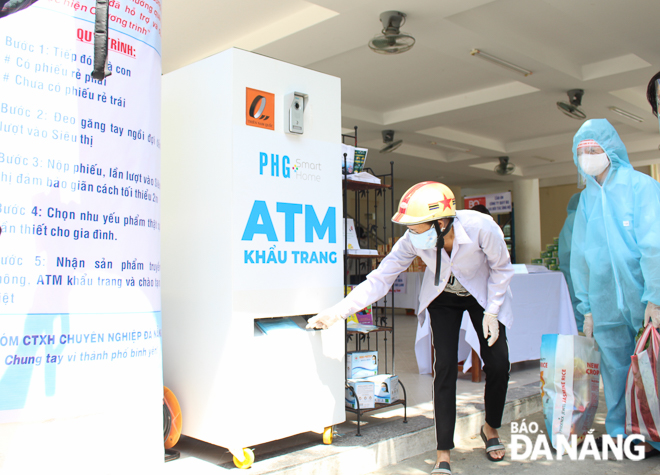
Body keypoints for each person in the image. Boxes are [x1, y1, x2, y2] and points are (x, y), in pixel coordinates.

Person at [307, 182, 514, 475]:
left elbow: (502, 269)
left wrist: (493, 310)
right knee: (443, 366)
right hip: (442, 297)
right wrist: (337, 313)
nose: (412, 234)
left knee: (498, 363)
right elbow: (381, 278)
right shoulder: (413, 239)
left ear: (441, 222)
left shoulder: (482, 227)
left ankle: (491, 427)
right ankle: (443, 452)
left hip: (482, 295)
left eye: (417, 227)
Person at [570, 119, 660, 456]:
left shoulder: (642, 187)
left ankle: (655, 434)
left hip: (644, 301)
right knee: (615, 371)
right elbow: (580, 257)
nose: (588, 156)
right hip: (605, 305)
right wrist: (587, 307)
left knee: (652, 368)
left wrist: (656, 297)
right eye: (582, 151)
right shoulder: (586, 201)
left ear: (611, 150)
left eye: (594, 149)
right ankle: (625, 436)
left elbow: (654, 246)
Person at [557, 192, 584, 332]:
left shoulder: (569, 220)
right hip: (580, 268)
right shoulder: (578, 219)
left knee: (575, 300)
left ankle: (578, 330)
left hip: (570, 268)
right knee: (583, 301)